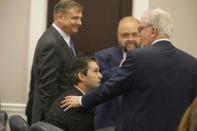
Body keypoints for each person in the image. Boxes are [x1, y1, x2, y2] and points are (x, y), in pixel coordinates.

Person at [61, 8, 197, 131]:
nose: (139, 35)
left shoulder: (137, 57)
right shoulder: (191, 63)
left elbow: (111, 87)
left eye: (140, 30)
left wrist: (82, 100)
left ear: (153, 31)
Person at [25, 0, 83, 125]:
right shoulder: (51, 43)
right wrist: (55, 119)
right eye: (75, 18)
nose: (80, 22)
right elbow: (47, 88)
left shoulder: (63, 38)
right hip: (52, 118)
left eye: (80, 18)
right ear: (60, 17)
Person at [94, 16, 141, 131]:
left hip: (140, 122)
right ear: (118, 36)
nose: (130, 39)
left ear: (141, 35)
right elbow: (96, 83)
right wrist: (120, 69)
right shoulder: (102, 56)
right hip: (109, 121)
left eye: (134, 34)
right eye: (125, 35)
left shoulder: (151, 57)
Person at [45, 57, 102, 131]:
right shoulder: (78, 105)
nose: (101, 76)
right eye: (95, 71)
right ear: (81, 76)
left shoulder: (68, 94)